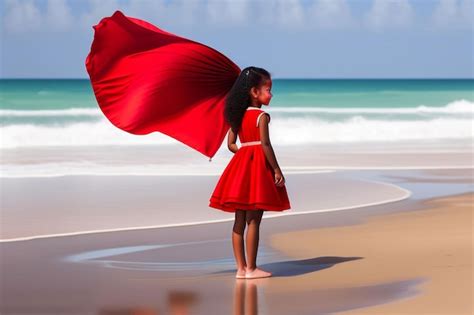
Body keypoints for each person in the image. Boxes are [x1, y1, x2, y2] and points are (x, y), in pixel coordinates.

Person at [209, 66, 291, 279]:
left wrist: (245, 152)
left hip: (240, 167)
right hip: (256, 170)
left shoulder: (237, 116)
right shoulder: (262, 116)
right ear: (254, 92)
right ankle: (252, 269)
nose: (271, 94)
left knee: (239, 219)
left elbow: (231, 144)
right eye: (268, 89)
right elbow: (265, 144)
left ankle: (240, 269)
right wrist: (276, 169)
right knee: (253, 219)